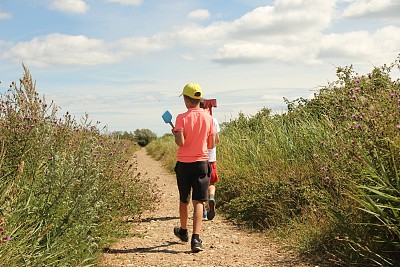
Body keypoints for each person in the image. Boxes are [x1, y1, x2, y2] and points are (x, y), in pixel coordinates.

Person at [172, 83, 215, 252]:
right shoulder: (209, 118)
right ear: (200, 99)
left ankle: (183, 231)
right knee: (199, 201)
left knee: (184, 199)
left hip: (184, 164)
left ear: (186, 99)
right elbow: (211, 144)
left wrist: (176, 134)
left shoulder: (181, 118)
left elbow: (180, 143)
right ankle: (196, 239)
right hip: (201, 163)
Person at [200, 101, 220, 221]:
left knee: (199, 186)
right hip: (211, 159)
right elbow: (217, 140)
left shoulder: (197, 119)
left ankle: (203, 212)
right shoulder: (214, 120)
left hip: (199, 158)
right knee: (211, 184)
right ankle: (211, 198)